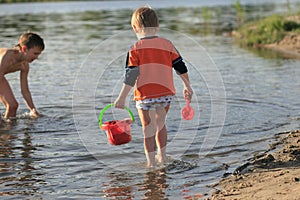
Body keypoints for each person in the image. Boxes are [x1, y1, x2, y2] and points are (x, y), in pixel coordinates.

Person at [114, 6, 193, 167]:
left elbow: (131, 75)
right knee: (160, 125)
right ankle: (162, 158)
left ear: (135, 28)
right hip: (165, 94)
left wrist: (122, 97)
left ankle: (151, 163)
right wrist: (187, 86)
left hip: (144, 96)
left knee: (147, 129)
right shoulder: (167, 44)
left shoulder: (135, 49)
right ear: (157, 27)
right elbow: (180, 67)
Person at [0, 32, 45, 121]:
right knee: (11, 104)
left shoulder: (24, 65)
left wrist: (32, 109)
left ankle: (8, 133)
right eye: (35, 53)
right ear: (24, 49)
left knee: (13, 106)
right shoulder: (6, 58)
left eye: (38, 54)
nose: (37, 57)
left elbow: (25, 91)